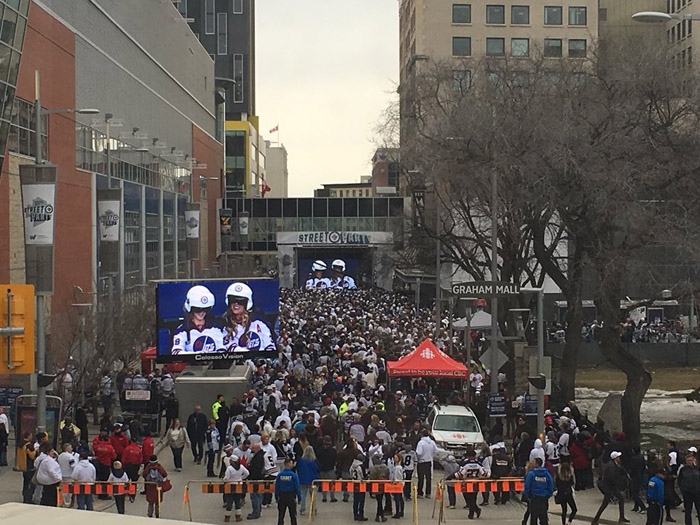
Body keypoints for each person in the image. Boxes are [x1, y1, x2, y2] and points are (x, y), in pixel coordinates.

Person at [221, 282, 275, 352]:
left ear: (247, 303)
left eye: (240, 301)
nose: (236, 304)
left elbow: (270, 345)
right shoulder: (224, 325)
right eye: (232, 300)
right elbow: (230, 348)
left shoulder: (259, 323)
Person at [171, 284, 222, 354]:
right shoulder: (182, 330)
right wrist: (196, 355)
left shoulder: (216, 328)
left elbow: (222, 349)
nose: (202, 313)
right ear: (190, 309)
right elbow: (176, 352)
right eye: (197, 309)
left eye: (205, 309)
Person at [591, 451, 629, 525]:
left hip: (612, 487)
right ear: (615, 458)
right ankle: (595, 520)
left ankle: (621, 517)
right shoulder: (611, 466)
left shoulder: (615, 464)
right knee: (605, 504)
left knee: (621, 499)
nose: (619, 458)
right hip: (609, 487)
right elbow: (612, 478)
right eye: (618, 457)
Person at [523, 457, 554, 525]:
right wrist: (548, 495)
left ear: (536, 463)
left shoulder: (531, 474)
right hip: (543, 498)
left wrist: (527, 495)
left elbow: (527, 485)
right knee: (543, 517)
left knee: (534, 517)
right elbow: (551, 486)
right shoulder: (547, 474)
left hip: (534, 498)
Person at [457, 447, 486, 519]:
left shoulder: (465, 463)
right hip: (475, 483)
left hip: (466, 483)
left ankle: (471, 514)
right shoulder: (478, 463)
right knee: (473, 498)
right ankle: (476, 510)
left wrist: (452, 476)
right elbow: (484, 473)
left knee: (468, 498)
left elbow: (460, 473)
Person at [276, 457, 302, 525]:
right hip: (291, 496)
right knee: (293, 515)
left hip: (282, 496)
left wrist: (276, 497)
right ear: (288, 464)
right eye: (291, 463)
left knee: (281, 515)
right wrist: (299, 497)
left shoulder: (280, 475)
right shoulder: (293, 475)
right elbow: (297, 487)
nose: (292, 464)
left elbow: (277, 487)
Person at [223, 454, 249, 522]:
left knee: (229, 502)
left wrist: (224, 480)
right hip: (239, 485)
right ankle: (238, 516)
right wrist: (241, 478)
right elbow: (247, 473)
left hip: (230, 486)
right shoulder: (241, 467)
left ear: (231, 461)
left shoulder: (229, 468)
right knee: (237, 501)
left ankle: (227, 517)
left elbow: (227, 478)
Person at [296, 445, 320, 515]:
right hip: (313, 480)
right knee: (312, 496)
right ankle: (313, 509)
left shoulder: (300, 460)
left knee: (303, 495)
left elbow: (297, 469)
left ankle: (302, 509)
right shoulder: (315, 461)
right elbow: (318, 469)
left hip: (303, 480)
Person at [677, 453, 700, 525]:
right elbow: (679, 480)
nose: (689, 462)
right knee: (687, 511)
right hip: (687, 493)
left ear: (693, 460)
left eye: (690, 460)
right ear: (686, 461)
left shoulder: (697, 469)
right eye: (688, 460)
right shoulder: (683, 470)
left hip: (697, 492)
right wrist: (682, 489)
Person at [415, 430, 437, 498]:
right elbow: (436, 451)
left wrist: (418, 458)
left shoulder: (421, 443)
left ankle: (420, 493)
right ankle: (428, 493)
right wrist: (431, 455)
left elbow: (419, 453)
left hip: (422, 461)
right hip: (429, 461)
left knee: (421, 478)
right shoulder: (432, 442)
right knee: (428, 478)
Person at [247, 441, 266, 520]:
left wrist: (250, 473)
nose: (251, 449)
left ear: (256, 449)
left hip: (255, 479)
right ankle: (258, 511)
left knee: (255, 496)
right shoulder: (260, 455)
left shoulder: (258, 457)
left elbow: (256, 469)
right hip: (260, 478)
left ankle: (256, 512)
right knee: (259, 496)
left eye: (253, 448)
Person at [317, 434, 338, 503]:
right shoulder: (333, 450)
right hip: (330, 469)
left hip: (322, 469)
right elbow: (335, 459)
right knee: (332, 483)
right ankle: (332, 497)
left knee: (324, 483)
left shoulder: (320, 450)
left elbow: (318, 459)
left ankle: (324, 497)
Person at [17, 431, 36, 503]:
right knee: (31, 484)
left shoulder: (20, 444)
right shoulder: (29, 446)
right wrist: (36, 452)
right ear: (28, 437)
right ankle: (28, 498)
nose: (31, 437)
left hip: (23, 466)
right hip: (30, 466)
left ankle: (24, 496)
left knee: (25, 483)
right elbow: (32, 456)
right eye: (30, 436)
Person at [57, 442, 78, 507]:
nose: (72, 448)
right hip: (69, 475)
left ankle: (61, 502)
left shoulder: (60, 456)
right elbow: (73, 466)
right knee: (68, 492)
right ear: (67, 448)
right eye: (71, 447)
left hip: (62, 475)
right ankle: (67, 504)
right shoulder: (70, 456)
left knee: (62, 490)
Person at [351, 451, 369, 521]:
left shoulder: (353, 465)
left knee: (355, 500)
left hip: (354, 483)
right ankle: (361, 515)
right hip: (361, 484)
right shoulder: (361, 466)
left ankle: (355, 515)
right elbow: (364, 476)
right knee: (361, 500)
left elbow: (350, 472)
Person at [392, 453, 405, 519]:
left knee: (397, 498)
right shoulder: (400, 467)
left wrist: (394, 482)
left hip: (397, 484)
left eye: (396, 458)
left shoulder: (397, 468)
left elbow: (398, 477)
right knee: (400, 498)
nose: (394, 459)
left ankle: (398, 512)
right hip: (400, 483)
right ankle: (401, 511)